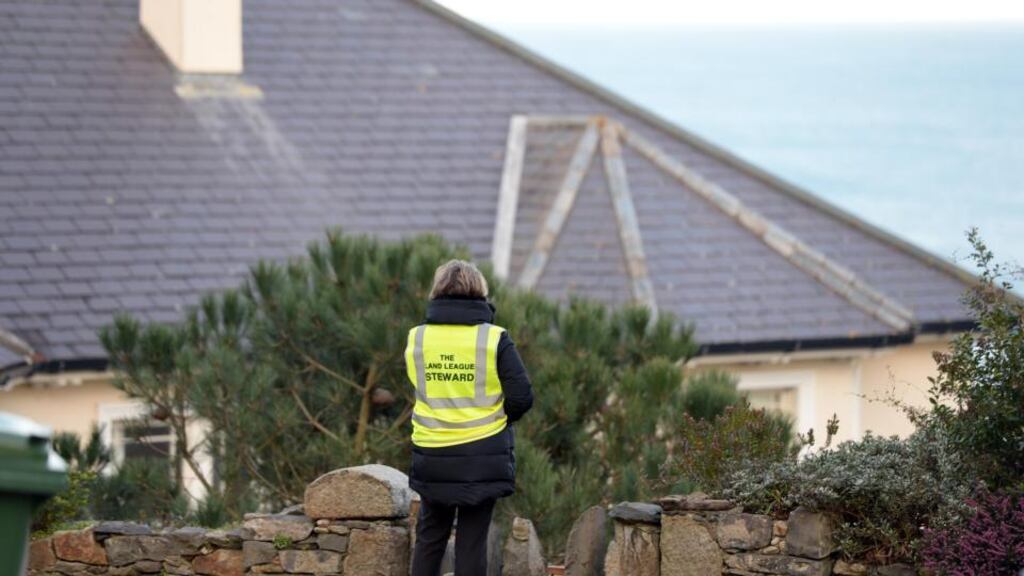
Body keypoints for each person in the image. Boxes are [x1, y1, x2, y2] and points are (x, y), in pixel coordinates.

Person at [407, 259, 534, 576]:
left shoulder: (417, 338)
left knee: (429, 537)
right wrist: (494, 419)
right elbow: (521, 397)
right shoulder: (494, 339)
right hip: (480, 455)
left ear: (437, 291)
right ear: (480, 291)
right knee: (472, 542)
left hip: (432, 452)